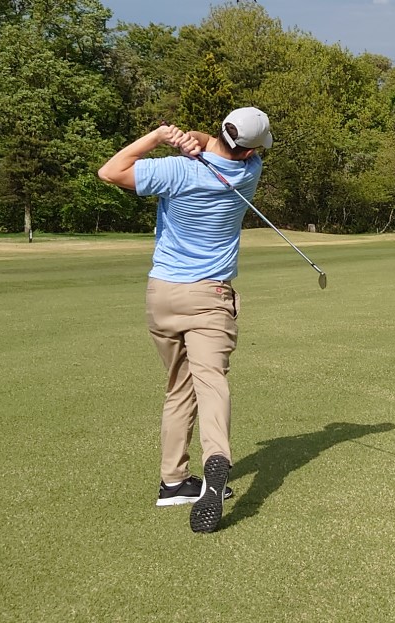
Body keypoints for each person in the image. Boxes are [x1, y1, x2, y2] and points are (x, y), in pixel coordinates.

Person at [96, 107, 273, 533]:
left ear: (221, 131)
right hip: (210, 296)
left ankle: (174, 480)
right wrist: (191, 141)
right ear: (251, 148)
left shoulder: (174, 171)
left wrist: (162, 137)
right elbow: (223, 146)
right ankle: (217, 460)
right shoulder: (249, 173)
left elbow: (110, 171)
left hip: (162, 294)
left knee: (179, 387)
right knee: (210, 380)